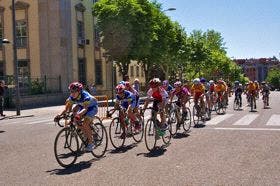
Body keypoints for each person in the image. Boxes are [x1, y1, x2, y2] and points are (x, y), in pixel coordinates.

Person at [54, 82, 98, 152]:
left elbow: (85, 109)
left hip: (91, 107)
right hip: (82, 105)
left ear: (79, 91)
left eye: (74, 91)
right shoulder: (72, 97)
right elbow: (66, 109)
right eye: (71, 91)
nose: (72, 93)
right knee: (75, 116)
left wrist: (78, 115)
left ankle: (90, 143)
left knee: (85, 124)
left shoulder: (85, 96)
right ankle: (85, 135)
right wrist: (59, 115)